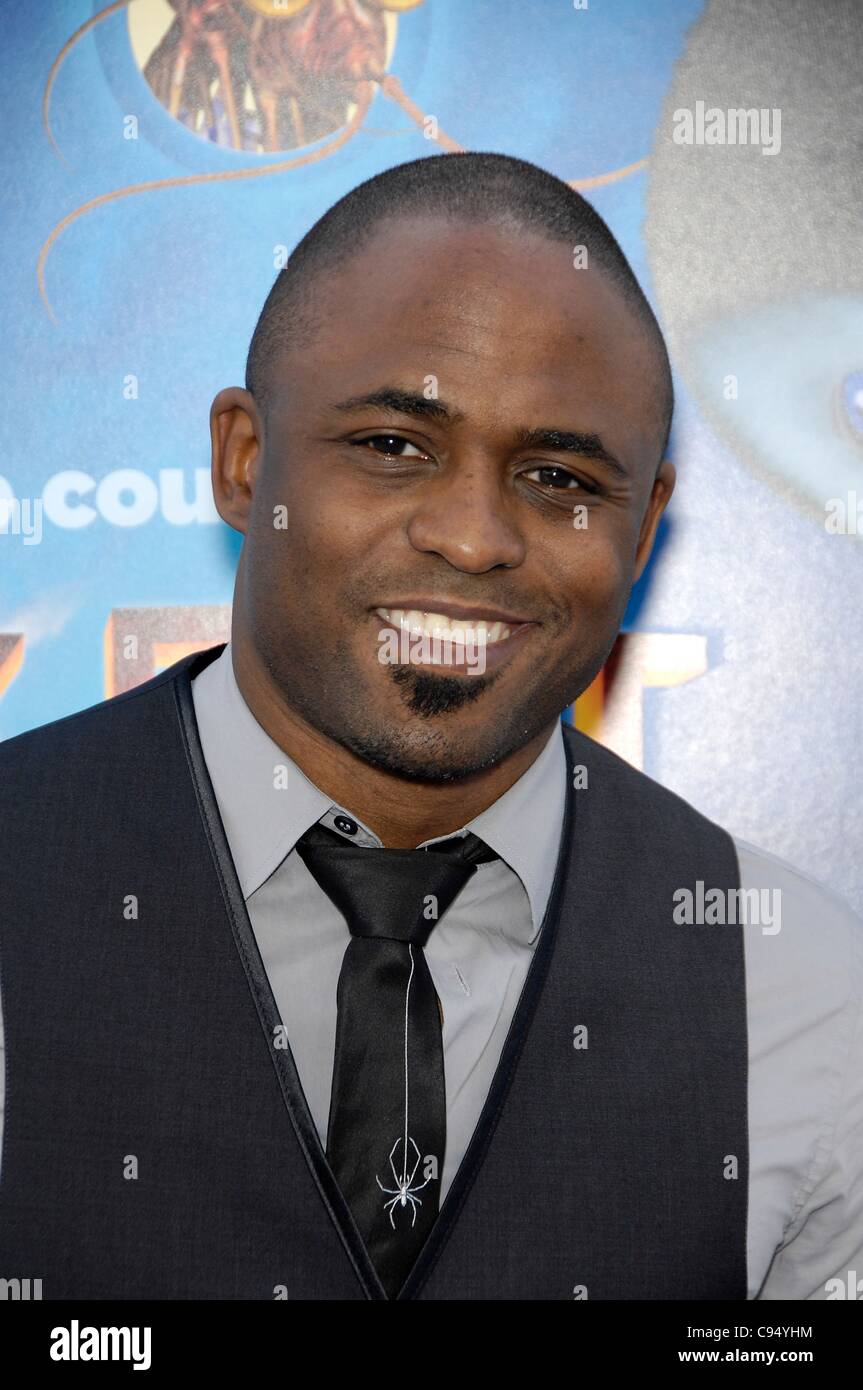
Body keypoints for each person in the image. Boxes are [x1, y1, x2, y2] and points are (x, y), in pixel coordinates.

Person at [0, 152, 860, 1301]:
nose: (471, 536)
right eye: (393, 446)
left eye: (558, 476)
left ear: (643, 526)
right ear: (244, 461)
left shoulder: (798, 990)